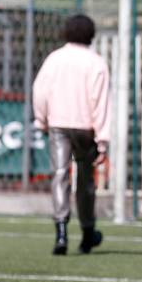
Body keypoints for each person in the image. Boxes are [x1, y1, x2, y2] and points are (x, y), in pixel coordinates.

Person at [33, 14, 109, 256]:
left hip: (58, 124)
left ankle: (61, 232)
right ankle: (87, 232)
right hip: (86, 127)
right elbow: (101, 102)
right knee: (86, 180)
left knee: (59, 175)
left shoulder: (54, 59)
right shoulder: (96, 62)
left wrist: (41, 118)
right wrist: (103, 138)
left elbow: (40, 91)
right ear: (91, 35)